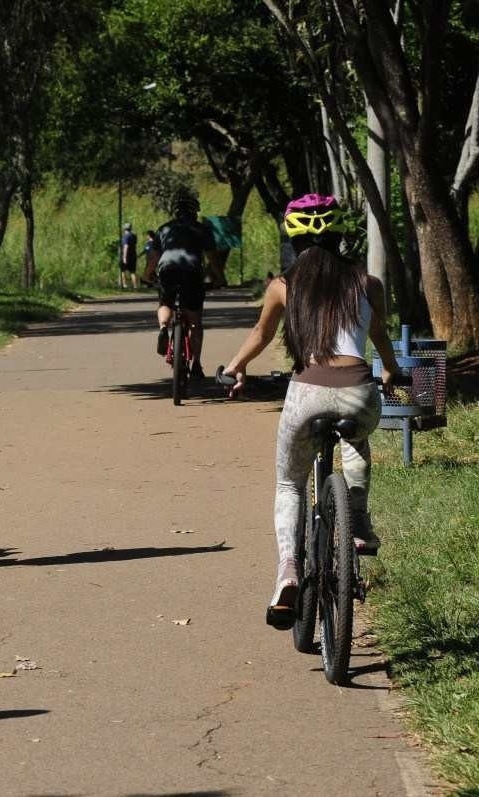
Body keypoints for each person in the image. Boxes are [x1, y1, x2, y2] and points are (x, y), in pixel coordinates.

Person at [219, 194, 400, 630]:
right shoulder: (367, 283)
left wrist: (234, 368)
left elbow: (262, 334)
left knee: (289, 483)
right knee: (356, 440)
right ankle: (357, 524)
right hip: (358, 389)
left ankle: (287, 571)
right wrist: (392, 371)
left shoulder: (283, 286)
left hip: (306, 393)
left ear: (292, 239)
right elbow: (378, 336)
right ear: (341, 235)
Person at [153, 191, 215, 380]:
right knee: (195, 321)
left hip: (167, 270)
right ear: (195, 211)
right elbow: (213, 260)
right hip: (192, 271)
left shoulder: (163, 229)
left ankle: (163, 327)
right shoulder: (202, 229)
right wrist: (219, 278)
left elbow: (153, 258)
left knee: (166, 302)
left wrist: (148, 275)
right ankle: (196, 364)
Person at [118, 222, 139, 290]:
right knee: (133, 271)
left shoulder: (125, 236)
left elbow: (126, 246)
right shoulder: (134, 236)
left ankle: (124, 285)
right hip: (133, 255)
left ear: (124, 228)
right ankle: (135, 286)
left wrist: (124, 257)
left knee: (123, 270)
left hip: (126, 255)